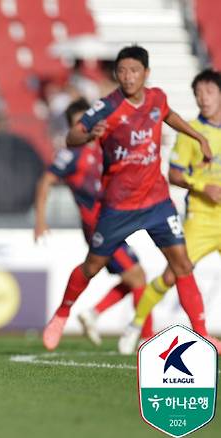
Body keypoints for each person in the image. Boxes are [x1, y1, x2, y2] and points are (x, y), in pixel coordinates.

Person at [42, 45, 221, 352]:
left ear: (146, 74)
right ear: (116, 74)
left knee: (182, 265)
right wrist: (87, 135)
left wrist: (199, 137)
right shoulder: (107, 107)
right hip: (118, 206)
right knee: (92, 265)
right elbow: (72, 136)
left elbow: (169, 115)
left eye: (134, 71)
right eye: (122, 71)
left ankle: (202, 335)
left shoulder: (156, 98)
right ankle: (62, 312)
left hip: (156, 202)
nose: (128, 77)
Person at [118, 69, 221, 354]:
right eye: (198, 93)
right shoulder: (190, 132)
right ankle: (135, 325)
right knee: (171, 276)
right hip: (201, 219)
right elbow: (174, 175)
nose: (203, 98)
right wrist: (202, 187)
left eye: (209, 92)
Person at [34, 98, 151, 346]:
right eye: (79, 124)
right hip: (98, 225)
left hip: (115, 221)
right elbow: (45, 182)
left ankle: (89, 314)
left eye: (87, 120)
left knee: (134, 277)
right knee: (137, 277)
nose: (85, 127)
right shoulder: (71, 154)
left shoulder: (104, 146)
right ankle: (147, 338)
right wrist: (40, 220)